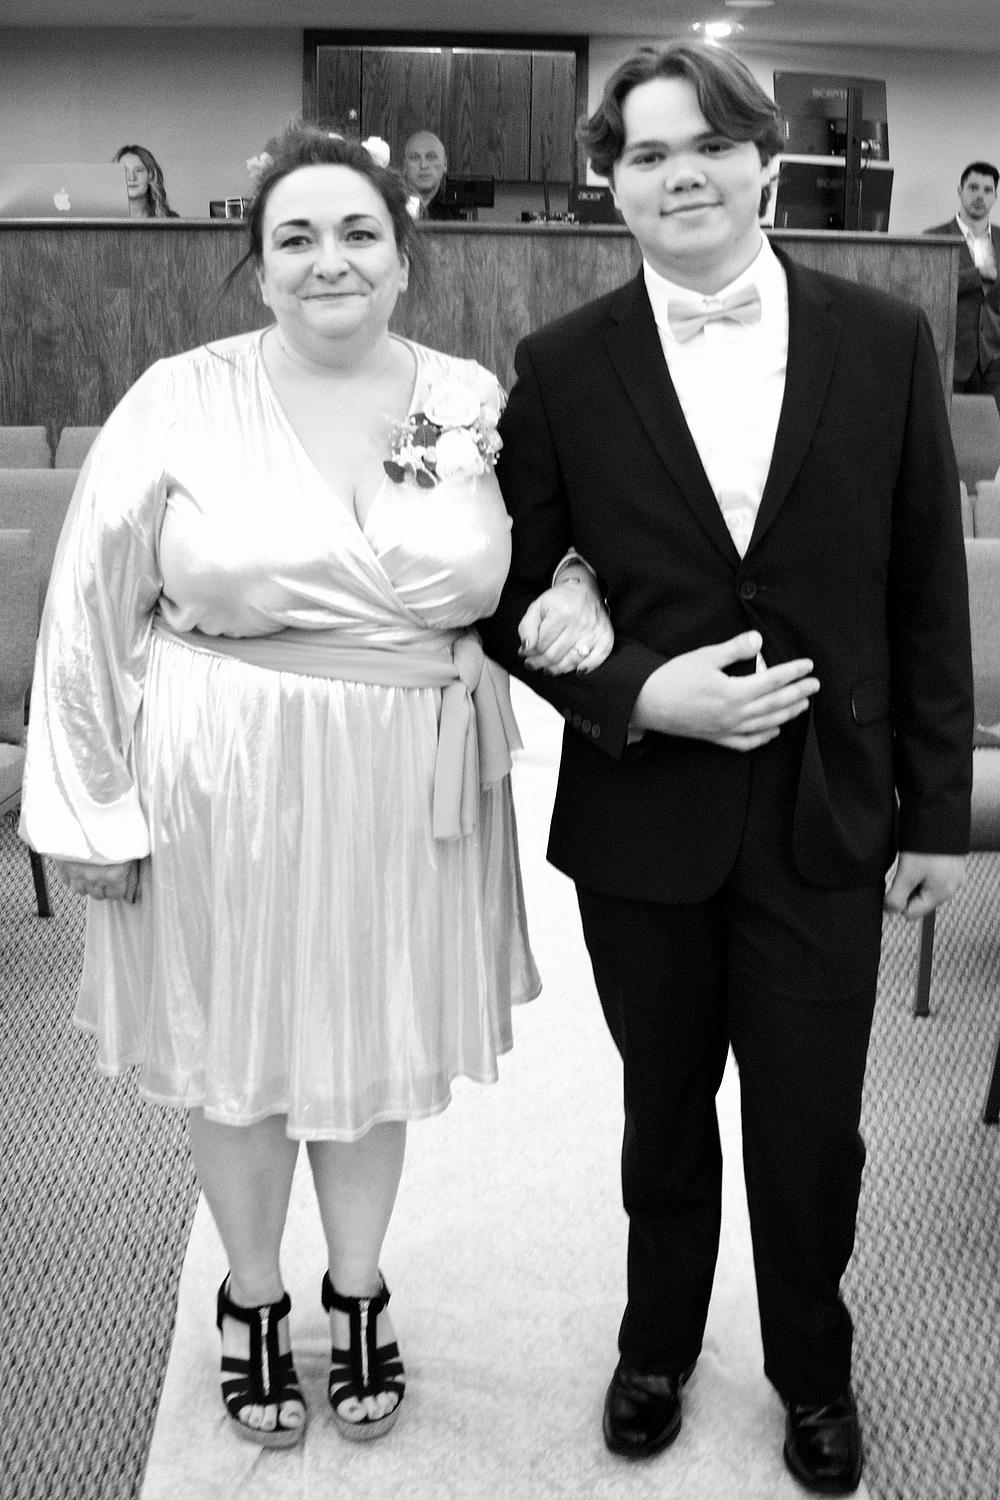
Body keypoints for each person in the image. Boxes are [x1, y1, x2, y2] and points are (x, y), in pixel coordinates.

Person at [20, 124, 609, 1452]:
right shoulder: (178, 397)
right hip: (221, 773)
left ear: (404, 257)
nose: (327, 259)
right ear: (258, 261)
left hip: (407, 775)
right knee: (237, 1054)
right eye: (294, 236)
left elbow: (559, 541)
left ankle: (355, 1290)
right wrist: (91, 806)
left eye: (357, 233)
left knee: (372, 1039)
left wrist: (575, 583)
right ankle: (251, 1292)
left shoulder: (464, 397)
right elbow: (88, 606)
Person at [478, 40, 973, 1497]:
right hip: (644, 809)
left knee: (813, 1124)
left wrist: (936, 814)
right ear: (611, 183)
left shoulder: (884, 337)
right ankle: (656, 1346)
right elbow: (506, 596)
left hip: (832, 805)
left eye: (707, 144)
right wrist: (642, 692)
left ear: (765, 162)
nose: (679, 174)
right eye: (646, 153)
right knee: (664, 1107)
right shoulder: (561, 365)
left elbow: (927, 590)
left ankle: (813, 1367)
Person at [925, 161, 1000, 404]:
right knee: (947, 424)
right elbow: (932, 287)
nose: (980, 196)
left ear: (995, 196)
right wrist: (978, 274)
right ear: (960, 191)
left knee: (992, 428)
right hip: (950, 357)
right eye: (973, 187)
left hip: (994, 362)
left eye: (988, 190)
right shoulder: (935, 238)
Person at [402, 130, 463, 220]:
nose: (423, 166)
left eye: (431, 158)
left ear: (445, 164)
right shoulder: (390, 208)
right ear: (405, 166)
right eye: (415, 158)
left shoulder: (460, 212)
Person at [113, 143, 179, 219]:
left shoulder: (171, 219)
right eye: (125, 171)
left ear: (151, 175)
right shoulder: (103, 219)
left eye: (139, 171)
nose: (132, 178)